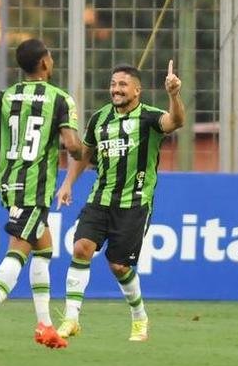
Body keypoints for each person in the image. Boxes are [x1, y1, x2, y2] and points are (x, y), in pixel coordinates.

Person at [54, 59, 185, 343]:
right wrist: (66, 183)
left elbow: (176, 122)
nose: (116, 89)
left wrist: (174, 95)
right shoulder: (99, 119)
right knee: (81, 248)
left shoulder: (150, 117)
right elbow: (84, 155)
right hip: (99, 199)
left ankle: (139, 318)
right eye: (113, 84)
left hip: (135, 203)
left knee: (119, 266)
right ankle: (71, 319)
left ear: (137, 90)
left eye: (123, 85)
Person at [0, 38, 84, 351]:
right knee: (18, 250)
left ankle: (45, 325)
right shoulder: (60, 99)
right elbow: (72, 145)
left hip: (9, 182)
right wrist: (82, 149)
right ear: (45, 63)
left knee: (43, 249)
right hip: (34, 187)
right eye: (51, 56)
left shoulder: (4, 97)